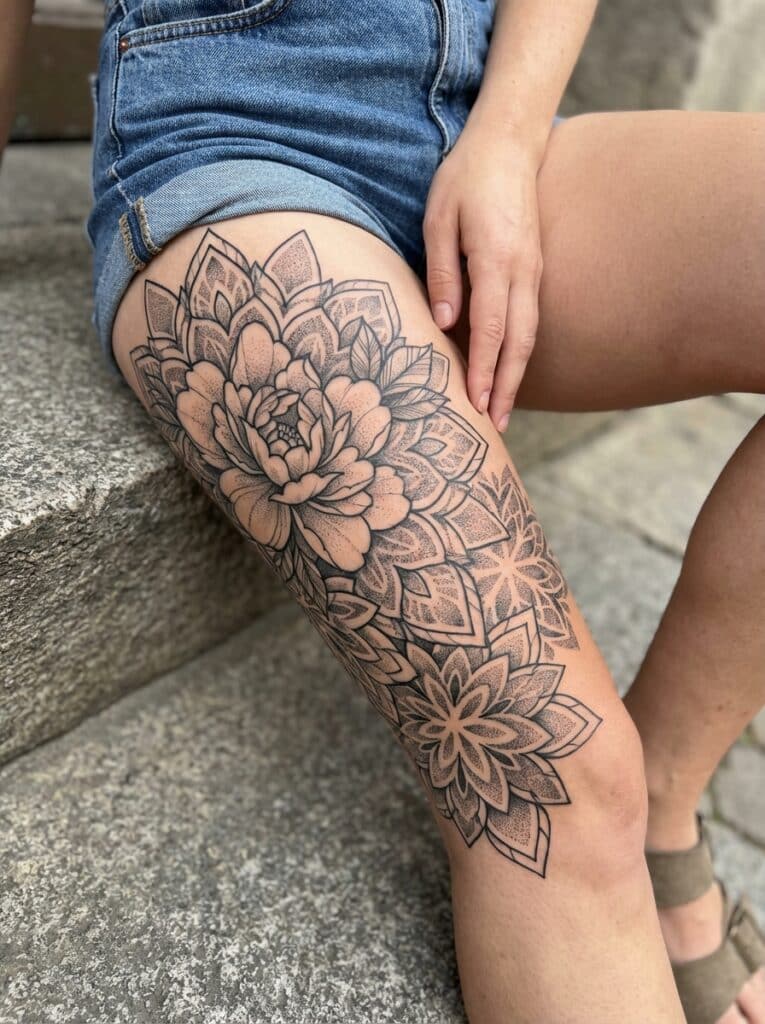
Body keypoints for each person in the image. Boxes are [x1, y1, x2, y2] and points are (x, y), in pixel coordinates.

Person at [3, 1, 764, 1021]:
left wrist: (503, 138)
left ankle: (667, 800)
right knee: (543, 776)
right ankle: (624, 827)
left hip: (478, 120)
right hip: (239, 134)